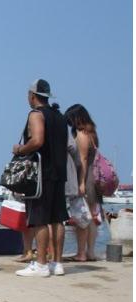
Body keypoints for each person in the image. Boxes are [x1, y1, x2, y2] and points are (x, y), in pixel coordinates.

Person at [13, 79, 68, 277]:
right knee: (58, 218)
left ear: (33, 96)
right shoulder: (60, 117)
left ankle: (42, 264)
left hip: (40, 175)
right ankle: (58, 263)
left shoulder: (36, 114)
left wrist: (20, 149)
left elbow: (37, 140)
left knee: (39, 219)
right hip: (59, 173)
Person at [64, 104, 101, 262]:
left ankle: (81, 253)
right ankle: (90, 252)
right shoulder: (92, 132)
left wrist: (80, 183)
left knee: (82, 218)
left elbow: (83, 160)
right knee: (91, 217)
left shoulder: (81, 134)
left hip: (86, 179)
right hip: (95, 178)